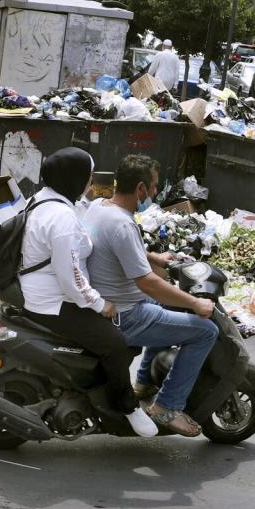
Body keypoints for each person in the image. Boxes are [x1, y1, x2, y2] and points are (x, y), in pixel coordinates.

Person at [19, 147, 158, 438]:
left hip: (41, 293)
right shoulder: (61, 220)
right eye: (88, 177)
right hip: (56, 302)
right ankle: (127, 406)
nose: (91, 183)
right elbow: (70, 276)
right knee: (116, 344)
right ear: (74, 178)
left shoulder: (44, 200)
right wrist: (99, 304)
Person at [82, 155, 218, 437]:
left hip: (113, 304)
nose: (155, 194)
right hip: (126, 315)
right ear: (141, 188)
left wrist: (154, 256)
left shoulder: (99, 208)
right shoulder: (123, 224)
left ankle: (143, 382)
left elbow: (121, 249)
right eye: (154, 187)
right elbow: (148, 283)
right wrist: (195, 302)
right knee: (205, 331)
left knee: (169, 307)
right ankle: (167, 406)